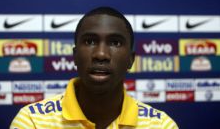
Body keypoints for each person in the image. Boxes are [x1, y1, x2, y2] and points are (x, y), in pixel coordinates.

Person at [10, 7, 178, 129]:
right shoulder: (32, 121)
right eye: (90, 41)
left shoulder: (161, 125)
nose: (101, 54)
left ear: (130, 60)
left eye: (115, 43)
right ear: (75, 56)